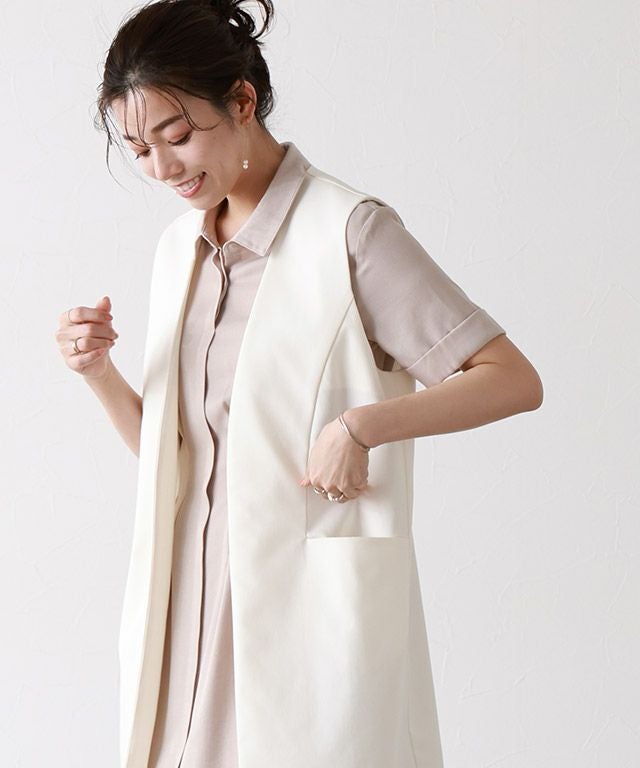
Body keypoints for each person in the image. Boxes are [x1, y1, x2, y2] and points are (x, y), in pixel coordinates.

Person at [54, 1, 543, 766]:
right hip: (183, 616)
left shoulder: (350, 233)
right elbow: (175, 461)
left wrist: (362, 426)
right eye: (140, 149)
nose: (162, 169)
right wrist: (98, 374)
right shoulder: (180, 251)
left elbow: (510, 379)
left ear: (243, 101)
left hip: (301, 625)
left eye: (177, 137)